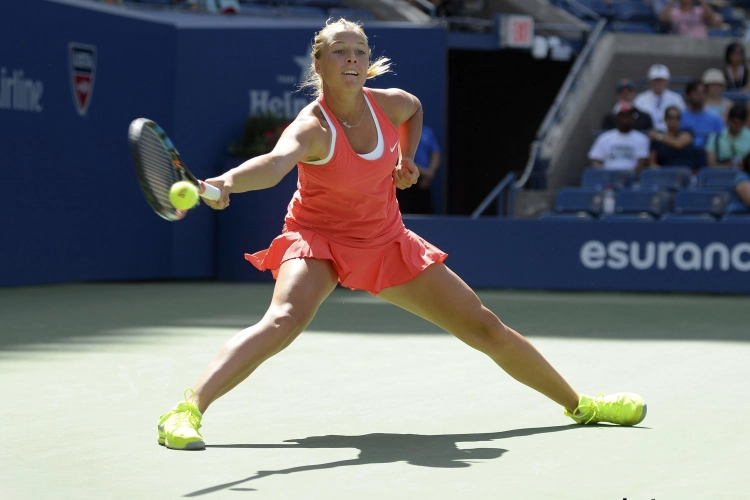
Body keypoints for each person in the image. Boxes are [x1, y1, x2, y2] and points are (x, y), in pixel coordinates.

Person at [155, 19, 647, 451]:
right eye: (341, 51)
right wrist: (224, 184)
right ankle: (187, 410)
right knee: (283, 319)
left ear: (368, 63)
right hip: (318, 239)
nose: (352, 58)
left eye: (360, 51)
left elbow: (413, 112)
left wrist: (405, 159)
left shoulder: (389, 104)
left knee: (484, 327)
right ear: (320, 63)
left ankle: (581, 405)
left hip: (386, 241)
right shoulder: (312, 128)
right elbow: (274, 164)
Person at [589, 102, 651, 175]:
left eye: (629, 115)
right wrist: (603, 174)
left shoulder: (642, 138)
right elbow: (595, 159)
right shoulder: (604, 138)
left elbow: (642, 162)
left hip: (632, 179)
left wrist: (631, 176)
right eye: (623, 116)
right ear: (616, 117)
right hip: (608, 179)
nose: (626, 119)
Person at [395, 124, 441, 214]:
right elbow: (396, 156)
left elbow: (436, 154)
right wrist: (424, 172)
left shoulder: (427, 132)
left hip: (424, 181)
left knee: (425, 212)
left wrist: (430, 174)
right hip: (403, 178)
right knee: (403, 212)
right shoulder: (397, 130)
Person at [633, 64, 686, 132]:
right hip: (647, 137)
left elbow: (682, 119)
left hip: (671, 137)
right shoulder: (640, 99)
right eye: (656, 80)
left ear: (667, 81)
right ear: (650, 81)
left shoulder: (677, 99)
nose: (659, 83)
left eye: (661, 80)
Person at [680, 80, 725, 150]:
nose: (700, 96)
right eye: (696, 92)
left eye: (704, 92)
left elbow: (723, 138)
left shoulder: (716, 118)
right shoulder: (679, 117)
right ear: (688, 95)